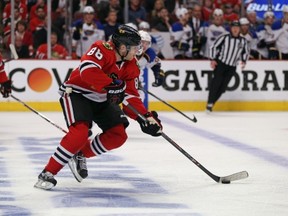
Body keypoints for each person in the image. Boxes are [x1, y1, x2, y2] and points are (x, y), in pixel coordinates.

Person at [34, 25, 163, 190]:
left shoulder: (131, 65)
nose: (137, 51)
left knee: (118, 135)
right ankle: (47, 173)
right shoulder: (101, 48)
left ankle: (80, 154)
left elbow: (131, 96)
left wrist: (145, 117)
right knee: (79, 134)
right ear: (123, 47)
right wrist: (111, 85)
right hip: (77, 93)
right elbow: (87, 71)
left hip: (102, 99)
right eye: (134, 47)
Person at [206, 20, 249, 112]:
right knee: (215, 84)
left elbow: (245, 52)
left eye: (237, 28)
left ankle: (212, 103)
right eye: (233, 28)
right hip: (221, 64)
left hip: (232, 67)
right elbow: (213, 47)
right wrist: (213, 59)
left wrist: (244, 61)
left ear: (239, 29)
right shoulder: (224, 37)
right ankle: (210, 103)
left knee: (222, 88)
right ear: (231, 29)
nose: (235, 30)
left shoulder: (243, 41)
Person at [137, 30, 165, 101]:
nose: (144, 45)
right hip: (121, 82)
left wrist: (158, 73)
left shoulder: (149, 53)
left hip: (136, 84)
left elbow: (156, 64)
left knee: (139, 98)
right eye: (143, 42)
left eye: (147, 43)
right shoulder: (127, 51)